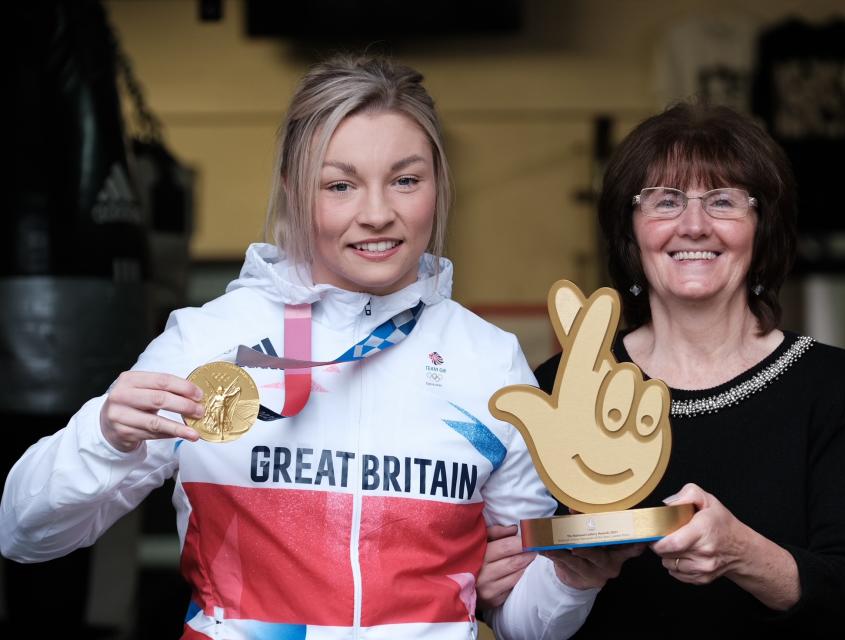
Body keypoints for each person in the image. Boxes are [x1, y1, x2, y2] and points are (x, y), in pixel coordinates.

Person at [0, 55, 632, 639]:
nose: (378, 212)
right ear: (294, 187)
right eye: (341, 185)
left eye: (405, 180)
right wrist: (104, 435)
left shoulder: (490, 360)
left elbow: (519, 619)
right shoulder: (208, 338)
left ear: (437, 185)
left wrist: (573, 579)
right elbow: (23, 533)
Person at [478, 102, 845, 637]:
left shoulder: (833, 386)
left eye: (722, 201)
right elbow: (520, 613)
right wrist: (491, 585)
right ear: (630, 231)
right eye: (665, 201)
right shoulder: (563, 384)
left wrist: (743, 554)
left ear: (761, 226)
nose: (694, 226)